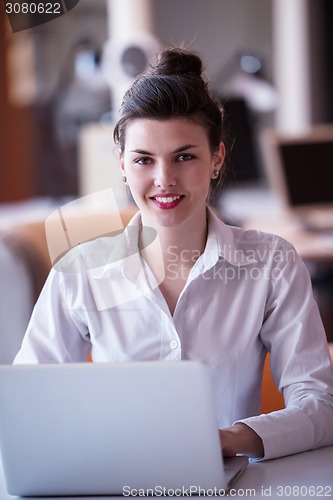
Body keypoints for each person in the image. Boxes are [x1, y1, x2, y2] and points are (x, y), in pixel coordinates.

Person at [14, 47, 333, 461]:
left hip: (230, 483)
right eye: (144, 159)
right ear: (123, 165)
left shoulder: (272, 264)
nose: (164, 180)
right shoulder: (80, 271)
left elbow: (321, 406)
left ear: (216, 157)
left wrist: (229, 439)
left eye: (185, 156)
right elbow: (29, 403)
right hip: (112, 479)